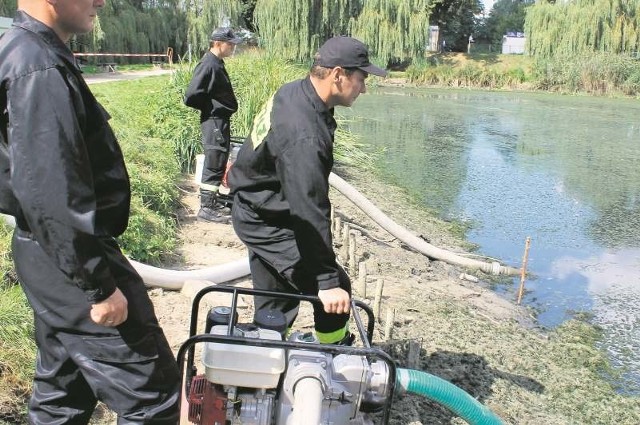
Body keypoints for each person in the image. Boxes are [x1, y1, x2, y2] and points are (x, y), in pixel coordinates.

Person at [0, 1, 180, 423]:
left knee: (62, 391)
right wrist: (97, 286)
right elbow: (51, 190)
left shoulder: (29, 51)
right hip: (68, 258)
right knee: (151, 393)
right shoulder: (37, 65)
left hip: (52, 251)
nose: (100, 1)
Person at [228, 36, 387, 344]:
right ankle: (334, 350)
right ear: (337, 74)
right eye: (361, 79)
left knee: (275, 299)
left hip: (257, 204)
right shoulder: (305, 134)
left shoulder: (293, 91)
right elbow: (309, 207)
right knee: (335, 287)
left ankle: (266, 351)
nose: (364, 88)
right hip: (266, 220)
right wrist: (326, 281)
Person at [184, 27, 242, 223]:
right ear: (218, 43)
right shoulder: (209, 64)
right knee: (214, 161)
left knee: (219, 159)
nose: (233, 47)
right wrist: (211, 109)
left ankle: (213, 200)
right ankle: (207, 208)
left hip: (220, 120)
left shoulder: (217, 63)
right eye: (230, 44)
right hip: (214, 121)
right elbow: (191, 96)